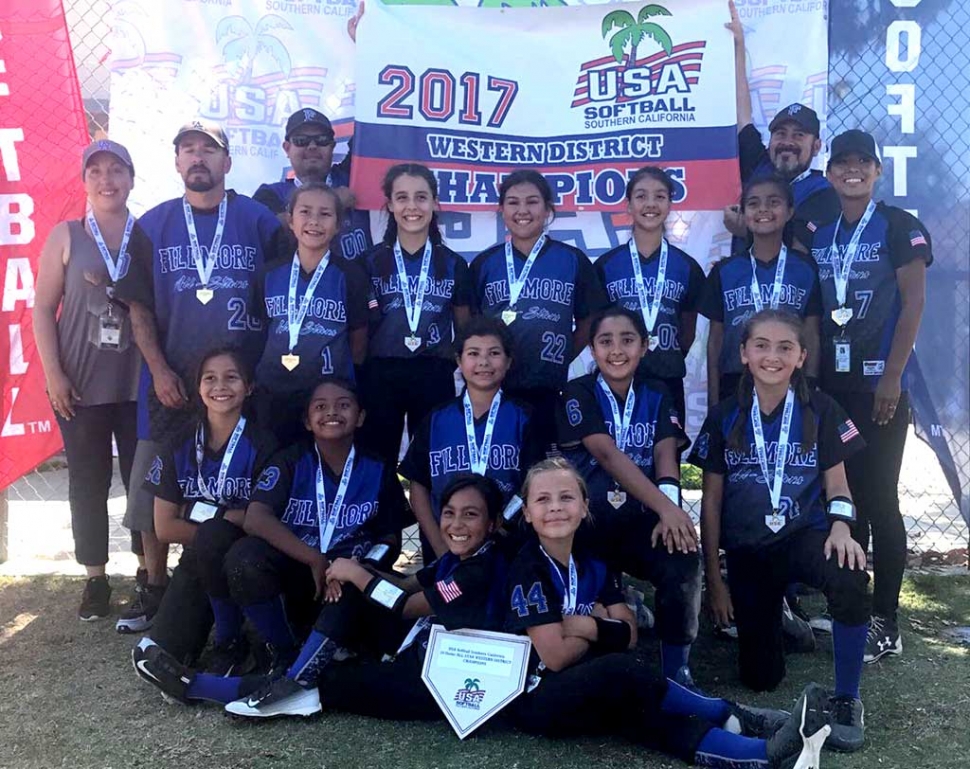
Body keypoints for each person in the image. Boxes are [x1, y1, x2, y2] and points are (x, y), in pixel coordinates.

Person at [504, 457, 832, 769]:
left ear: (584, 506)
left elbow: (629, 633)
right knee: (621, 670)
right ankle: (730, 714)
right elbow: (557, 656)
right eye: (543, 500)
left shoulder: (589, 560)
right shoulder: (528, 567)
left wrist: (582, 626)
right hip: (540, 697)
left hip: (593, 679)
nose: (556, 507)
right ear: (528, 512)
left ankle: (765, 754)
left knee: (646, 715)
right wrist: (601, 627)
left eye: (566, 497)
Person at [130, 475, 510, 720]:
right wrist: (345, 568)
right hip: (417, 647)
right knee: (347, 596)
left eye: (471, 515)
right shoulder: (460, 558)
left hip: (441, 679)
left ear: (492, 523)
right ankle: (291, 679)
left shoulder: (482, 568)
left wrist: (357, 574)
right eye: (449, 513)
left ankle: (199, 686)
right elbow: (407, 584)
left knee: (329, 681)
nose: (456, 525)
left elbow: (409, 605)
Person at [114, 119, 284, 628]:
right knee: (157, 481)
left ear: (227, 163)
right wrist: (159, 368)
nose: (198, 159)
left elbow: (288, 296)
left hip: (243, 382)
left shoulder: (259, 221)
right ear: (176, 163)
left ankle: (250, 582)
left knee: (251, 478)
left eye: (208, 150)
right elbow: (138, 306)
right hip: (172, 381)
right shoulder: (153, 224)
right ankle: (155, 587)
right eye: (187, 150)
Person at [689, 309, 870, 752]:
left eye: (785, 347)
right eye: (762, 346)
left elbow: (838, 484)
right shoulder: (724, 416)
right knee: (761, 679)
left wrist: (842, 527)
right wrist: (715, 580)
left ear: (802, 356)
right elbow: (710, 504)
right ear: (744, 354)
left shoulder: (821, 408)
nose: (773, 356)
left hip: (802, 536)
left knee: (849, 574)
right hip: (749, 550)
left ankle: (847, 698)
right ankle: (785, 622)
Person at [797, 129, 932, 665]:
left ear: (877, 171)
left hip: (879, 385)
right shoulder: (819, 229)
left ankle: (887, 620)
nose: (852, 171)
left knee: (879, 498)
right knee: (844, 501)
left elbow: (914, 302)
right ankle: (855, 605)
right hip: (834, 385)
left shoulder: (899, 226)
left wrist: (892, 377)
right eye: (842, 164)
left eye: (862, 163)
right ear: (830, 173)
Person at [33, 140, 146, 621]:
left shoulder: (148, 234)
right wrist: (53, 373)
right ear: (84, 182)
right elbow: (42, 308)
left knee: (141, 481)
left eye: (116, 170)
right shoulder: (66, 235)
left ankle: (147, 569)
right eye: (96, 171)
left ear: (131, 178)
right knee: (87, 481)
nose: (107, 180)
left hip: (137, 382)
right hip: (79, 383)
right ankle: (95, 578)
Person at [558, 307, 700, 683]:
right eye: (605, 341)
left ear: (644, 346)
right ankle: (616, 613)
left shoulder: (656, 391)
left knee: (682, 553)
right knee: (598, 633)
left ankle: (677, 667)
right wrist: (665, 507)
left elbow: (665, 453)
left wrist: (669, 512)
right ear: (591, 348)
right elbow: (604, 452)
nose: (616, 350)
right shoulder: (578, 392)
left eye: (627, 340)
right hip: (587, 527)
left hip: (640, 521)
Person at [130, 348, 277, 678]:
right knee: (165, 654)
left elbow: (260, 521)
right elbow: (165, 528)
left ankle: (232, 642)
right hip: (198, 558)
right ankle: (219, 636)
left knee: (217, 538)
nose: (220, 386)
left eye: (231, 377)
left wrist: (195, 511)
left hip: (246, 555)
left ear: (249, 386)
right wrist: (226, 518)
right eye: (209, 378)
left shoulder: (265, 443)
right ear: (197, 387)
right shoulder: (177, 444)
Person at [470, 170, 609, 451]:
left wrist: (563, 354)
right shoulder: (484, 264)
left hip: (547, 387)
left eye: (532, 202)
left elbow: (589, 319)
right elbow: (471, 327)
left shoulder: (572, 260)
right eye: (513, 202)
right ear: (501, 210)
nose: (523, 210)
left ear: (547, 209)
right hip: (493, 388)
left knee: (542, 469)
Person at [358, 163, 472, 464]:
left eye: (421, 197)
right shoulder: (368, 263)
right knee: (376, 459)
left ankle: (432, 513)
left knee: (433, 458)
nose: (412, 206)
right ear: (390, 204)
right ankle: (381, 513)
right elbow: (358, 330)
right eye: (403, 197)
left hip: (433, 372)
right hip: (380, 374)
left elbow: (464, 328)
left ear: (434, 203)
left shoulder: (453, 264)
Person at [400, 316, 542, 558]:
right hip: (447, 545)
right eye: (473, 353)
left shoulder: (526, 417)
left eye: (494, 353)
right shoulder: (436, 419)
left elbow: (534, 485)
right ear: (459, 360)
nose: (484, 362)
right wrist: (440, 548)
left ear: (508, 362)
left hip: (508, 547)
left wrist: (501, 529)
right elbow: (419, 487)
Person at [253, 183, 371, 446]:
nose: (314, 221)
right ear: (290, 221)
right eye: (305, 212)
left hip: (327, 397)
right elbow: (259, 330)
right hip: (273, 391)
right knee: (274, 463)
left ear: (339, 225)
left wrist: (342, 383)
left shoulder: (350, 275)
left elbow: (359, 339)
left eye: (325, 214)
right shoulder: (268, 274)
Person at [722, 0, 840, 251]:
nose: (788, 142)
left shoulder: (823, 192)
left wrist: (746, 229)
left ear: (817, 146)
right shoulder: (758, 164)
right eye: (781, 133)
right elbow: (742, 111)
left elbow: (799, 248)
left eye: (799, 135)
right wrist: (739, 45)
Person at [594, 167, 705, 422]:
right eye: (641, 196)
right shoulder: (606, 266)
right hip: (616, 380)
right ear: (629, 205)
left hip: (667, 379)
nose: (650, 204)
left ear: (669, 204)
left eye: (660, 196)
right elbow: (598, 328)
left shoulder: (687, 267)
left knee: (667, 454)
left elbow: (687, 332)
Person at [701, 175, 822, 406]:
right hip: (735, 380)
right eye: (753, 203)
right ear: (743, 214)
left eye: (773, 202)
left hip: (791, 378)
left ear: (789, 212)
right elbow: (715, 340)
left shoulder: (805, 268)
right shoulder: (725, 271)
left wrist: (811, 385)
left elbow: (812, 332)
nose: (763, 209)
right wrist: (713, 400)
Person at [252, 108, 372, 261]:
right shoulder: (270, 194)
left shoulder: (352, 175)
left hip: (360, 283)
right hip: (299, 284)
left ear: (332, 146)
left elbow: (372, 131)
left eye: (322, 140)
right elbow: (269, 229)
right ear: (287, 148)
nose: (312, 146)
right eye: (301, 141)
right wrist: (334, 202)